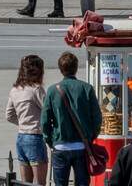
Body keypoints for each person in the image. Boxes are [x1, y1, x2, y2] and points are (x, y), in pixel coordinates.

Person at [42, 51, 103, 186]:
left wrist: (51, 141)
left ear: (60, 69)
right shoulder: (86, 88)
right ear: (76, 68)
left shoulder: (52, 90)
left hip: (60, 145)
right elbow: (97, 117)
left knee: (60, 183)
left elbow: (45, 121)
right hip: (82, 145)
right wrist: (91, 136)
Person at [7, 54, 49, 186]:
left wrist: (23, 123)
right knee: (39, 182)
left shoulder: (15, 90)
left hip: (21, 137)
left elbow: (9, 115)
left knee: (26, 182)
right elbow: (49, 110)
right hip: (35, 137)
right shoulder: (36, 89)